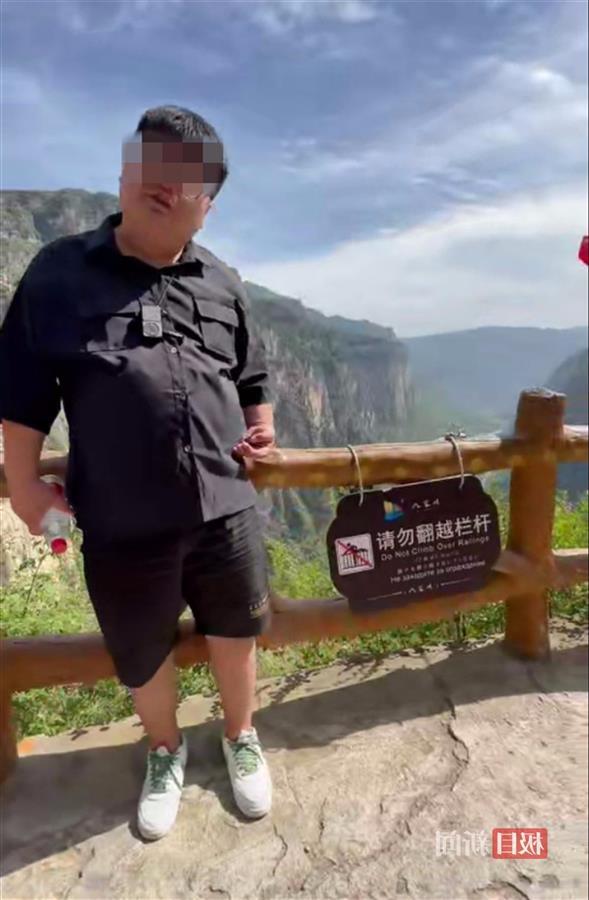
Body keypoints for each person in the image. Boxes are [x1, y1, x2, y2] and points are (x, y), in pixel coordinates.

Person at [0, 105, 276, 840]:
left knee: (236, 632)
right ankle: (164, 750)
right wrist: (23, 485)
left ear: (205, 205)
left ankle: (241, 736)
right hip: (122, 516)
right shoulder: (59, 273)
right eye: (151, 162)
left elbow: (250, 374)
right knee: (141, 649)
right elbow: (21, 391)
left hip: (226, 506)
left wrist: (264, 428)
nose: (163, 181)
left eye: (184, 176)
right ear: (126, 174)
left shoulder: (222, 282)